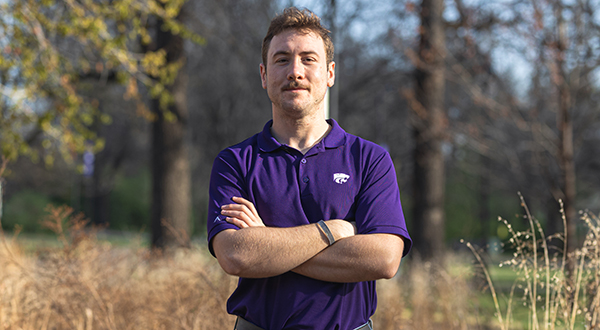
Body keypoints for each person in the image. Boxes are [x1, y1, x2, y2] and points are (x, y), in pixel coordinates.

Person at [207, 7, 412, 330]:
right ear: (263, 75)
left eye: (308, 59)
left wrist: (266, 243)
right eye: (282, 59)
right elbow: (235, 256)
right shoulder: (235, 161)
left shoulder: (369, 159)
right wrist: (332, 231)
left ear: (330, 73)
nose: (295, 71)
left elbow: (384, 259)